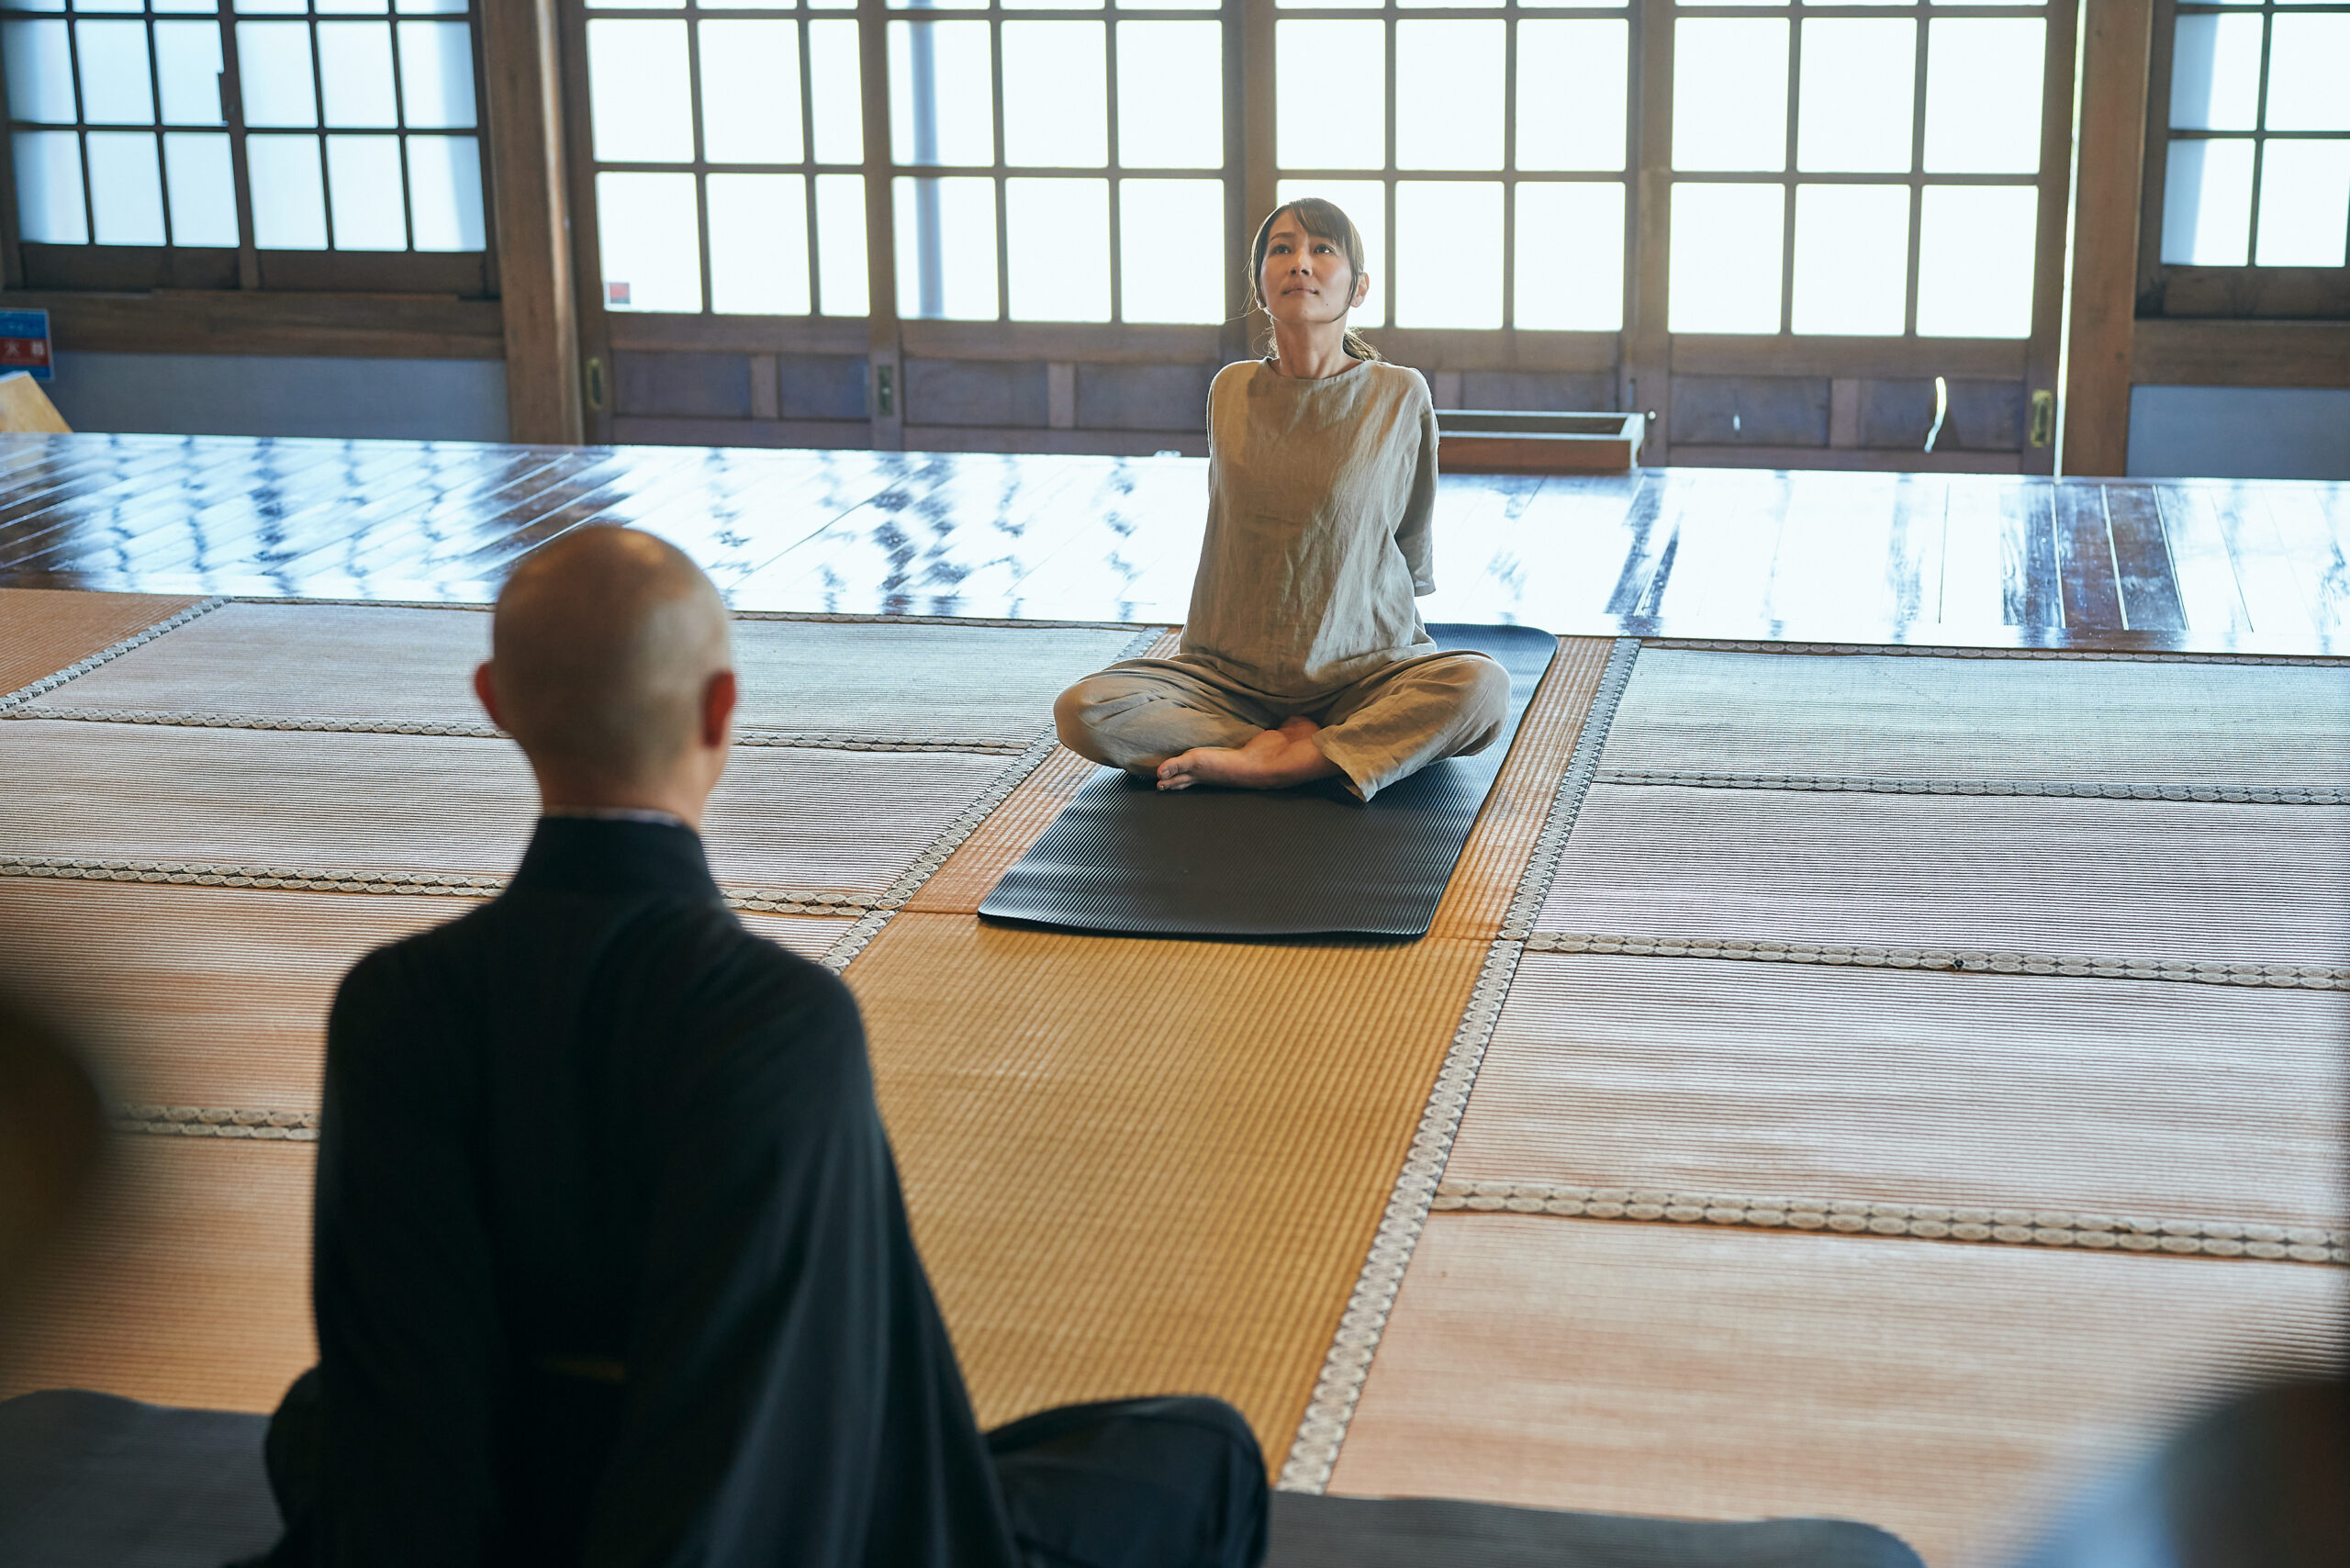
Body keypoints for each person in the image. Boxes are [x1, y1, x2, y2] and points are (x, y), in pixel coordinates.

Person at [248, 526, 1267, 1568]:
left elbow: (406, 1407)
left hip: (511, 1511)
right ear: (721, 707)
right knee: (1201, 1450)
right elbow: (764, 1423)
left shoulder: (393, 1004)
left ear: (494, 702)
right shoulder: (774, 1020)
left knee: (322, 1416)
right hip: (766, 1524)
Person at [1054, 197, 1512, 802]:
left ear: (1360, 286)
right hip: (1229, 675)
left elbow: (1410, 531)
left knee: (1481, 687)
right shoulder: (1231, 389)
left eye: (1322, 249)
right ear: (1260, 285)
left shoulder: (1399, 393)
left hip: (1366, 669)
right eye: (1282, 249)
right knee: (1082, 709)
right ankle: (1316, 748)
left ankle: (1275, 762)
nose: (1301, 263)